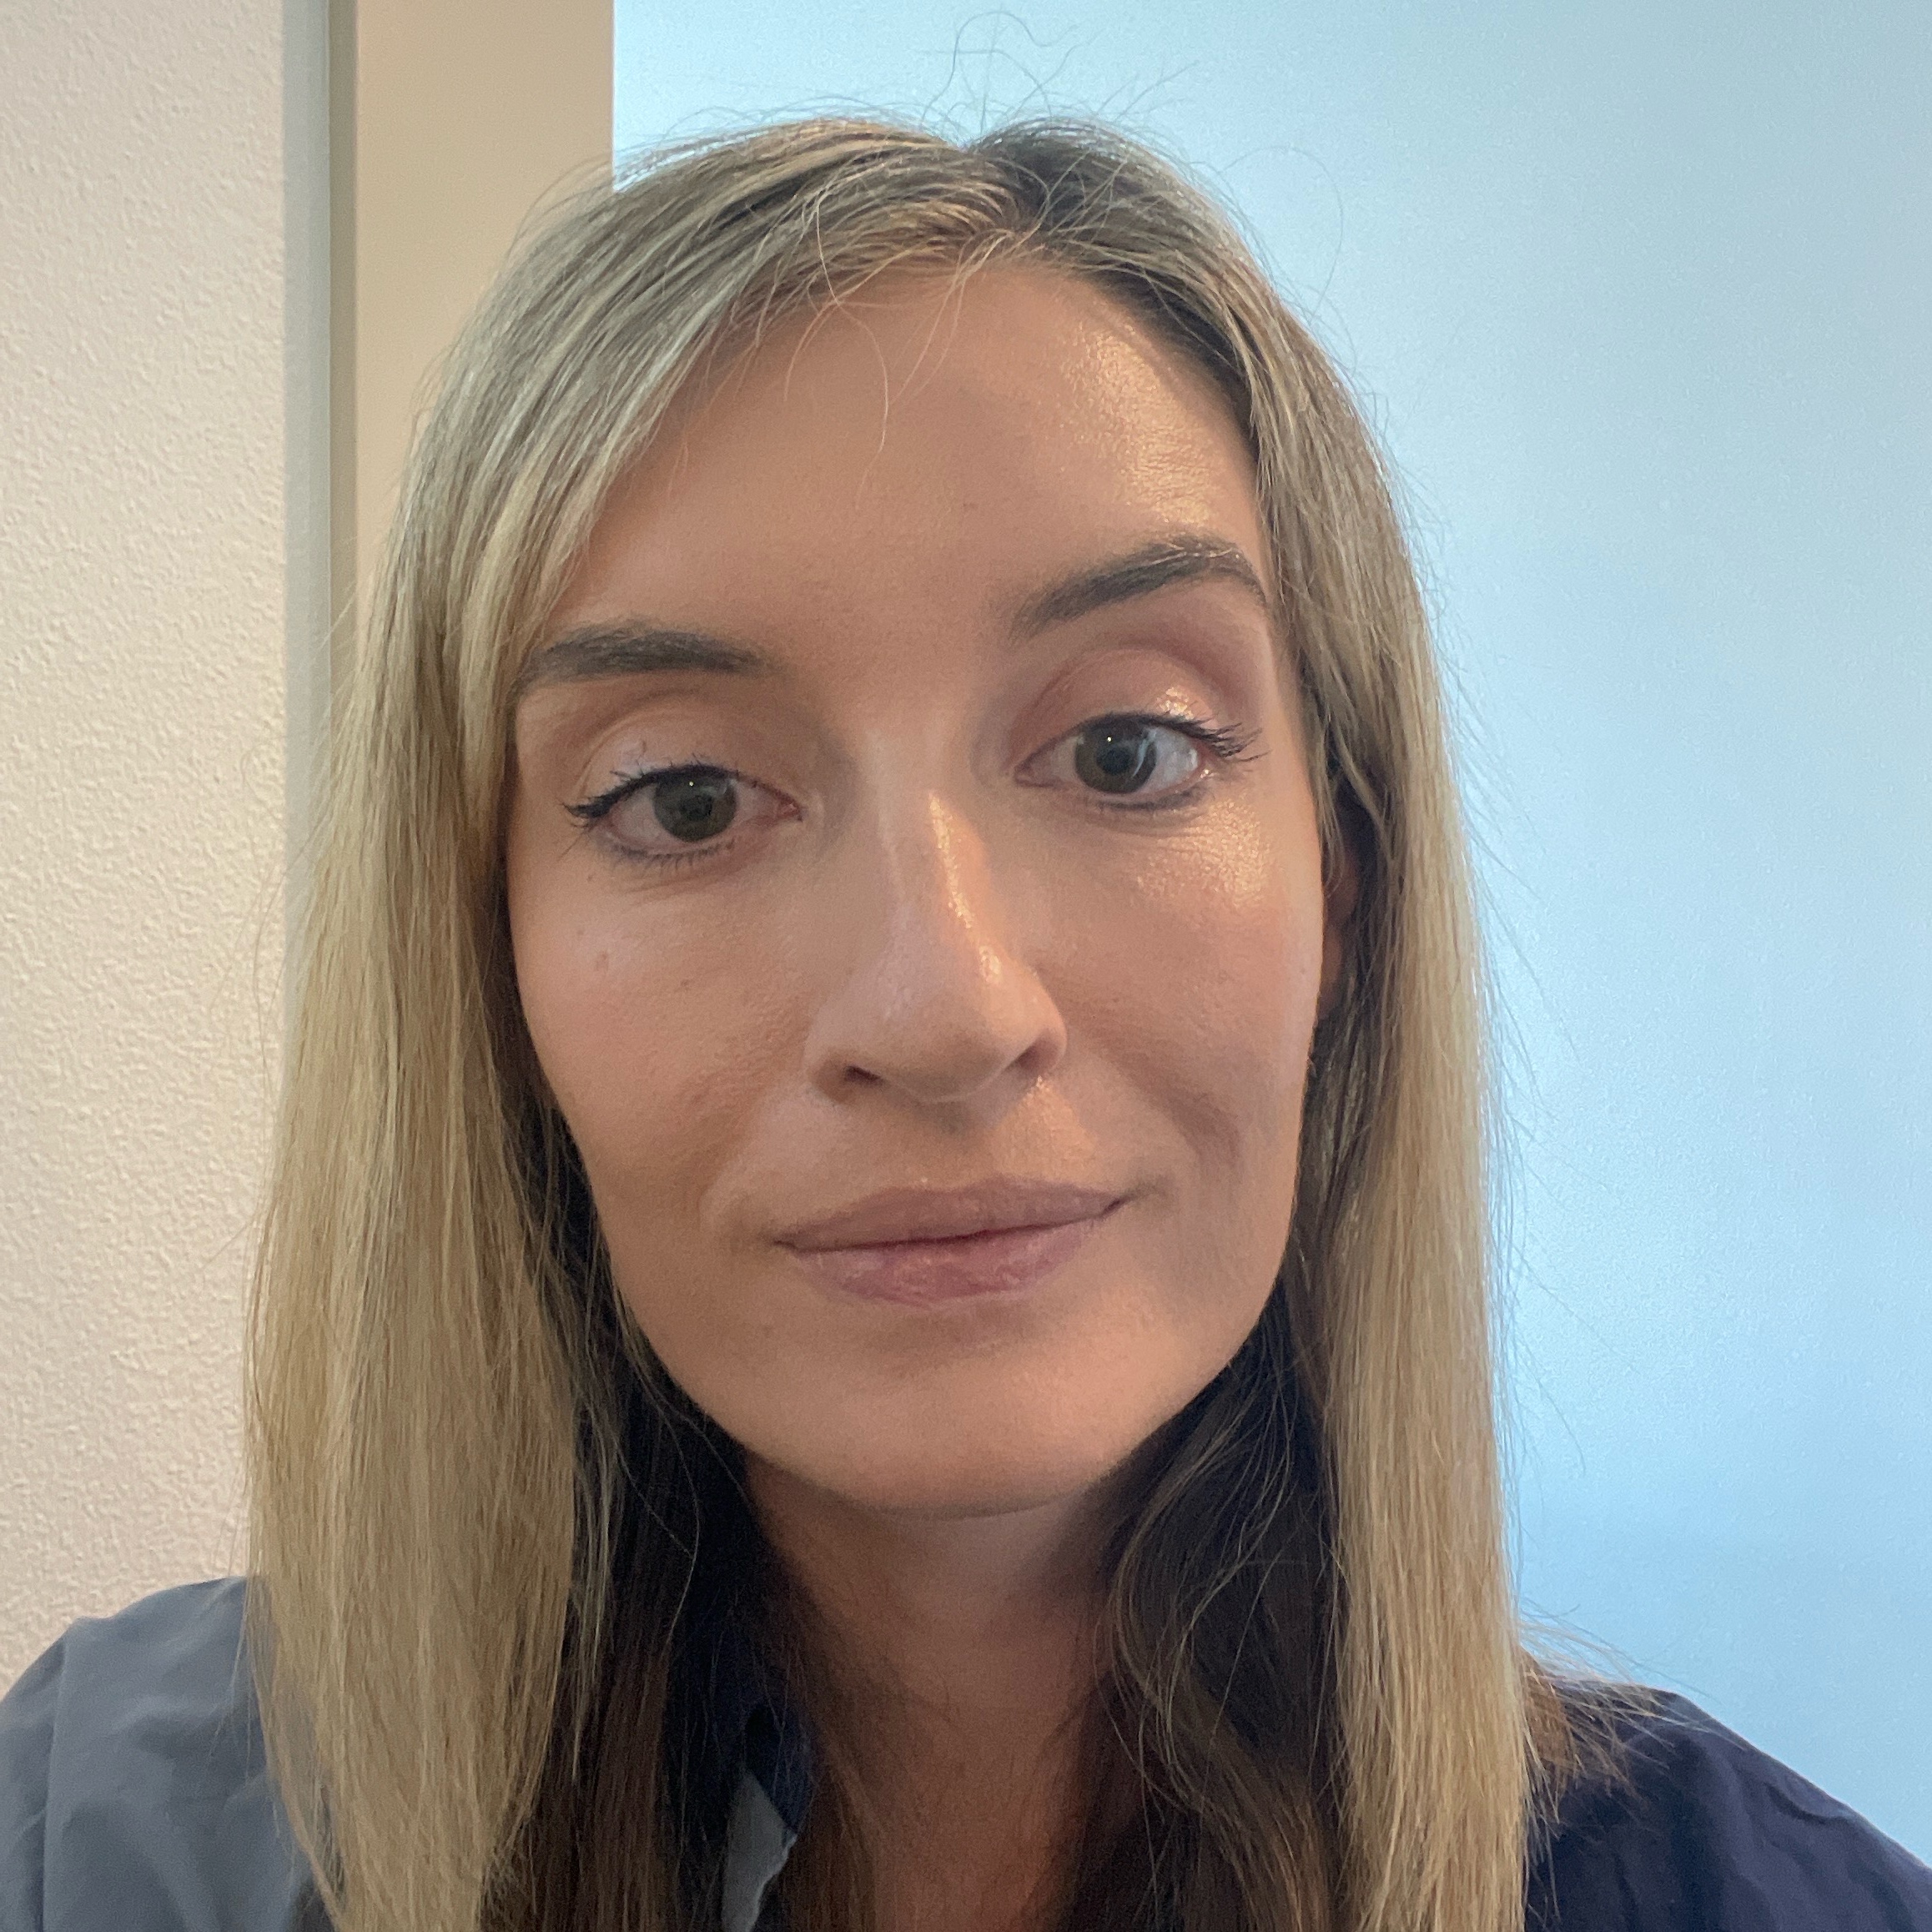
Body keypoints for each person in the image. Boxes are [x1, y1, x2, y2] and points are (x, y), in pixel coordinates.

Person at [1, 114, 1926, 1932]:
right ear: (480, 954)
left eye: (1127, 750)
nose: (943, 1009)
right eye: (687, 799)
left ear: (1349, 886)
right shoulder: (107, 1840)